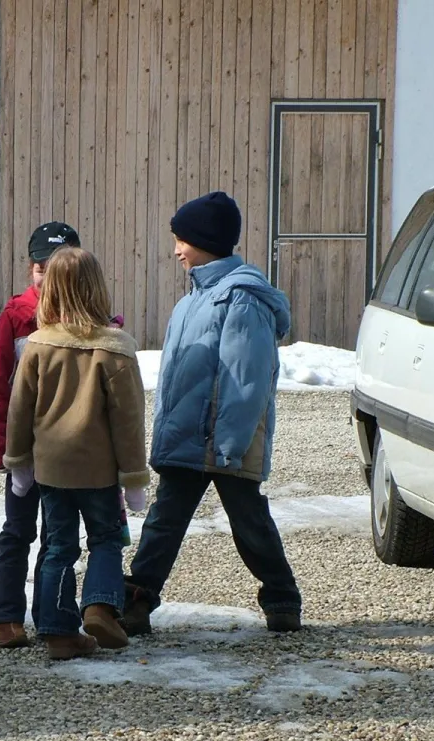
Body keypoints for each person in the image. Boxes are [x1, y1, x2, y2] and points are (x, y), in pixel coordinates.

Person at [123, 191, 302, 636]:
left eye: (181, 240)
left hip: (224, 441)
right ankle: (138, 597)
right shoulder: (193, 300)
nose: (176, 250)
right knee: (165, 519)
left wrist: (231, 442)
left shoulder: (240, 299)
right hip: (189, 435)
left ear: (206, 241)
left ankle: (282, 598)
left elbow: (247, 377)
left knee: (249, 520)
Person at [3, 247, 149, 661]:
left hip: (52, 470)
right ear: (97, 288)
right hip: (99, 471)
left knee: (58, 547)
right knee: (105, 539)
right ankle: (100, 605)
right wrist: (134, 478)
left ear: (49, 290)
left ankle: (59, 631)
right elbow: (128, 421)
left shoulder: (37, 346)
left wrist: (19, 462)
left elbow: (19, 410)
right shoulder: (116, 350)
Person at [0, 221, 80, 648]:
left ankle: (49, 618)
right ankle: (7, 616)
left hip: (68, 450)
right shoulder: (16, 318)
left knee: (59, 536)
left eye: (57, 270)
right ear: (31, 270)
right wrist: (2, 452)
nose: (48, 279)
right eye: (42, 270)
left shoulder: (86, 319)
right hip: (25, 450)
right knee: (18, 531)